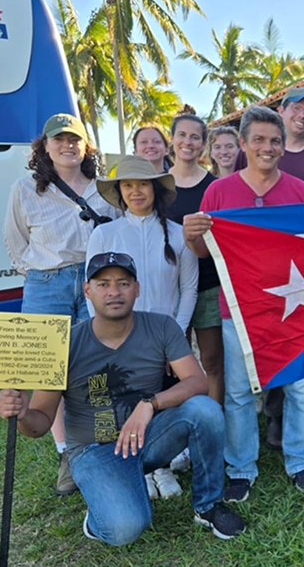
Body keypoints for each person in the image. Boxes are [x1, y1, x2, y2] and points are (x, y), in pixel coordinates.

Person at [0, 252, 244, 545]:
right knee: (124, 529)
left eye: (123, 283)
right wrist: (22, 414)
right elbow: (38, 424)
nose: (114, 291)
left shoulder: (161, 326)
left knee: (205, 410)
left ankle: (207, 505)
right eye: (103, 284)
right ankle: (101, 509)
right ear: (87, 290)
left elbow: (197, 382)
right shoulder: (64, 344)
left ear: (137, 289)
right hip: (94, 450)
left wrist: (150, 403)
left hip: (147, 437)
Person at [183, 106, 304, 502]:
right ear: (242, 144)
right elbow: (203, 253)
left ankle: (299, 459)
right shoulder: (219, 192)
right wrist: (193, 235)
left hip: (295, 305)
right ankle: (241, 467)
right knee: (241, 392)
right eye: (258, 139)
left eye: (275, 140)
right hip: (239, 309)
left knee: (299, 387)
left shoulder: (300, 192)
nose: (268, 147)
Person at [3, 113, 119, 497]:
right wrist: (40, 274)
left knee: (95, 363)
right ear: (46, 146)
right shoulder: (25, 189)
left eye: (74, 140)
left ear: (86, 146)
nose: (67, 146)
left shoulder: (103, 190)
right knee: (49, 371)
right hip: (46, 283)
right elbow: (15, 240)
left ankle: (99, 443)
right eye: (59, 140)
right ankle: (66, 452)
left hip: (92, 282)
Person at [234, 88, 304, 450]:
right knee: (250, 368)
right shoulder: (232, 176)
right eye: (297, 108)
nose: (268, 148)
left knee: (299, 363)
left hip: (300, 279)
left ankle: (297, 438)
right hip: (250, 285)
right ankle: (260, 435)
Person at [89, 155, 199, 500]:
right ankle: (135, 469)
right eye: (127, 185)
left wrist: (175, 337)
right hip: (118, 337)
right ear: (120, 192)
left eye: (142, 184)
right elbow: (93, 290)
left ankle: (162, 465)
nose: (136, 191)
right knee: (124, 402)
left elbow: (189, 289)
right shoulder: (105, 234)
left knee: (162, 400)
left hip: (165, 339)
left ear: (155, 188)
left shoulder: (179, 236)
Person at [166, 114, 225, 411]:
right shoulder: (158, 186)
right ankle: (180, 424)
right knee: (173, 363)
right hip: (168, 286)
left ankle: (216, 420)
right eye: (182, 135)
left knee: (212, 359)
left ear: (203, 144)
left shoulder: (214, 187)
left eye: (195, 137)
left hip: (208, 284)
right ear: (172, 139)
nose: (187, 142)